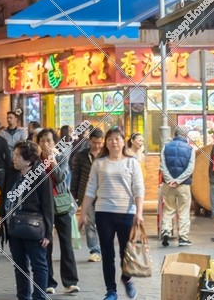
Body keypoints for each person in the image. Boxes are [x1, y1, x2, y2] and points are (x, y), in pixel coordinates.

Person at [80, 128, 145, 300]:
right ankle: (111, 290)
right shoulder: (99, 163)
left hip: (126, 213)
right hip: (104, 213)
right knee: (107, 253)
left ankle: (127, 278)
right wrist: (83, 213)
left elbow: (139, 188)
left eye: (117, 139)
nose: (113, 142)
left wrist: (139, 212)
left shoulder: (132, 163)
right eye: (110, 139)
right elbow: (90, 189)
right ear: (106, 143)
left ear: (124, 142)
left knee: (126, 253)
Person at [0, 141, 54, 300]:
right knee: (19, 266)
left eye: (17, 156)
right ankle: (23, 296)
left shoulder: (41, 177)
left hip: (34, 227)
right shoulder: (12, 172)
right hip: (13, 226)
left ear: (29, 160)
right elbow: (4, 194)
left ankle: (39, 296)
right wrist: (1, 215)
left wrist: (48, 233)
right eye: (14, 155)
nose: (14, 159)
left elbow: (48, 206)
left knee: (39, 265)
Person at [36, 129, 78, 294]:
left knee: (66, 244)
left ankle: (70, 282)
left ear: (55, 143)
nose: (46, 144)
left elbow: (61, 177)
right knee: (46, 244)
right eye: (43, 141)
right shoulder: (35, 161)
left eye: (50, 141)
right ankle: (48, 282)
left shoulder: (60, 157)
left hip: (61, 206)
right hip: (43, 208)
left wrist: (52, 162)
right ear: (38, 143)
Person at [70, 127, 104, 262]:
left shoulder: (105, 156)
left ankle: (103, 248)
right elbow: (75, 177)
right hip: (86, 194)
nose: (97, 145)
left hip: (104, 195)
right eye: (94, 142)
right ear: (89, 141)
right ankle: (94, 249)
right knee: (90, 223)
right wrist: (73, 196)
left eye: (99, 143)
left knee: (103, 223)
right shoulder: (81, 155)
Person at [159, 129, 195, 247]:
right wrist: (179, 180)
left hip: (167, 184)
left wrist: (170, 179)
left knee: (168, 209)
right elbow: (190, 168)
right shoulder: (190, 149)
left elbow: (162, 165)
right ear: (185, 135)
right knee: (183, 211)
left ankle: (166, 230)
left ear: (174, 135)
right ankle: (183, 238)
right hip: (183, 185)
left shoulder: (166, 147)